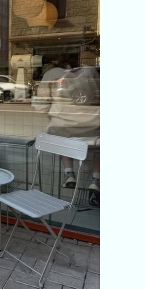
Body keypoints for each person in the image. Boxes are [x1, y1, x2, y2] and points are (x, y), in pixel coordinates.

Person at [33, 57, 100, 206]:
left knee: (62, 136)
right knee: (99, 147)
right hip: (94, 130)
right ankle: (96, 180)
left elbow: (41, 107)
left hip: (63, 130)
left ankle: (69, 173)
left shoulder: (52, 74)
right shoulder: (92, 73)